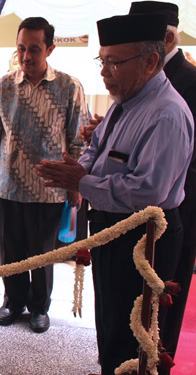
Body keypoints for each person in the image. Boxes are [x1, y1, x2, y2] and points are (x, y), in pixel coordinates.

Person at [36, 14, 193, 375]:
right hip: (112, 230)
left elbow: (148, 193)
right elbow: (97, 151)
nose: (104, 71)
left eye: (114, 62)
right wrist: (80, 170)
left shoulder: (165, 114)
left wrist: (82, 182)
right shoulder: (127, 100)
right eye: (101, 61)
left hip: (144, 242)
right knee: (110, 326)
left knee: (134, 337)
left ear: (150, 61)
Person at [0, 17, 88, 334]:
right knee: (11, 252)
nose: (26, 56)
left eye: (35, 50)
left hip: (49, 190)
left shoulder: (69, 87)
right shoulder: (3, 86)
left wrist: (75, 185)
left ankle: (40, 307)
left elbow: (78, 140)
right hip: (8, 187)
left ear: (50, 49)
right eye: (22, 48)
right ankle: (13, 302)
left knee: (42, 255)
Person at [128, 3, 196, 365]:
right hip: (136, 218)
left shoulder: (187, 82)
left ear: (167, 38)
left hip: (174, 211)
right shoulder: (142, 82)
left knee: (159, 314)